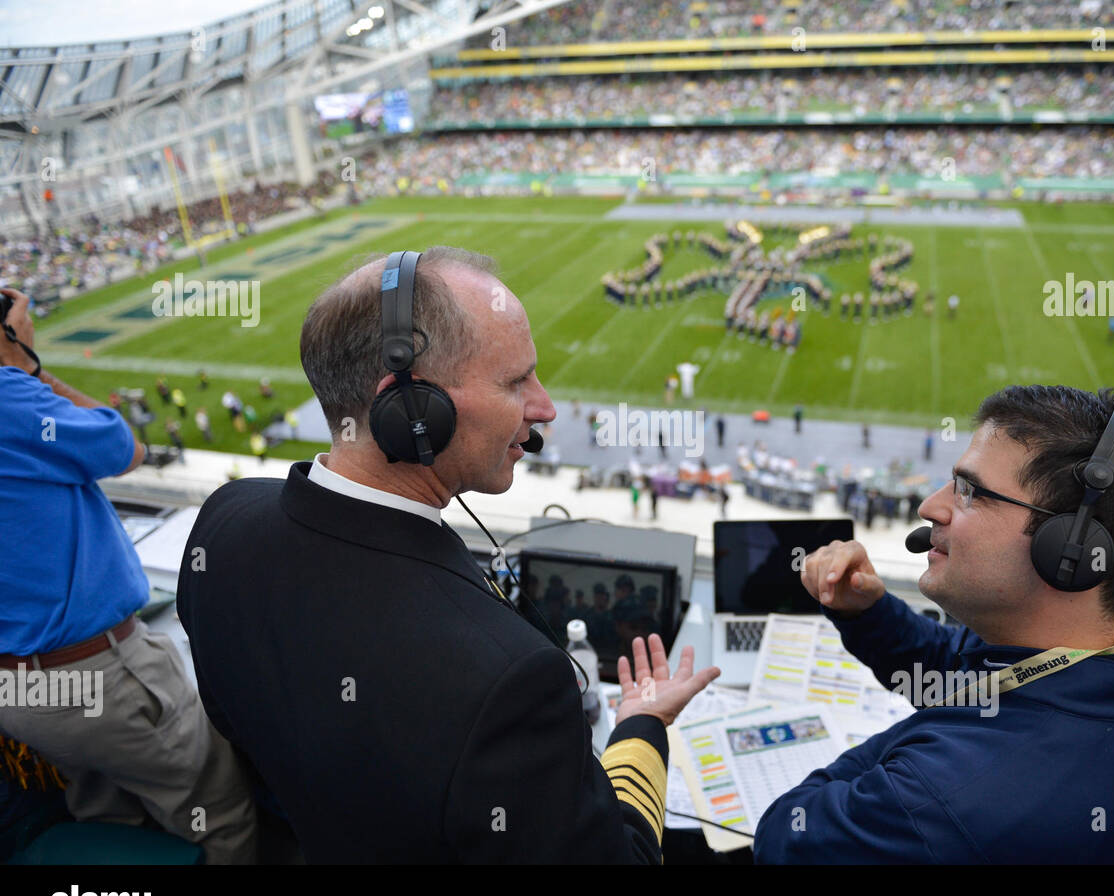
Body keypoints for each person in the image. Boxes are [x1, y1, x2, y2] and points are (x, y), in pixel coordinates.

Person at [176, 247, 718, 863]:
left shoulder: (221, 523)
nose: (545, 408)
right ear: (412, 411)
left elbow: (233, 722)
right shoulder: (509, 680)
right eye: (517, 381)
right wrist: (642, 725)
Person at [754, 385, 1114, 864]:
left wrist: (912, 752)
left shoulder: (937, 802)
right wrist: (866, 612)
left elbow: (783, 835)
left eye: (970, 491)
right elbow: (965, 676)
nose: (930, 507)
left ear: (1067, 552)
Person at [0, 286, 257, 864]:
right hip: (92, 673)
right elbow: (123, 447)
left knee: (109, 818)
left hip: (17, 684)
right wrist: (22, 367)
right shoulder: (9, 395)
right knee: (218, 812)